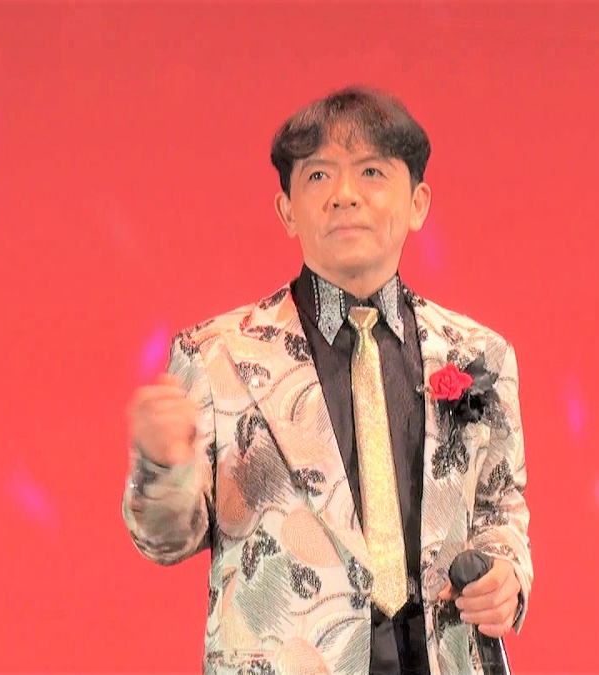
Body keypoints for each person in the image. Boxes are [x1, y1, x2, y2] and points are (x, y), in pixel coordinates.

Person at [121, 86, 532, 675]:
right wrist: (163, 465)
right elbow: (165, 542)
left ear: (417, 204)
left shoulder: (477, 353)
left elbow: (499, 505)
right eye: (318, 176)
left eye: (371, 172)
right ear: (287, 211)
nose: (344, 195)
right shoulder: (216, 355)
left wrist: (506, 574)